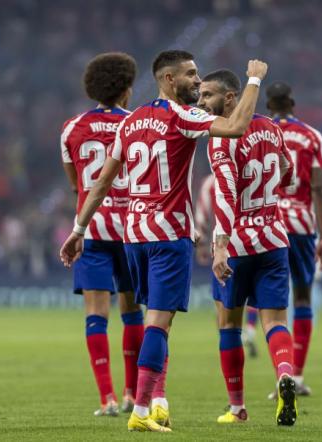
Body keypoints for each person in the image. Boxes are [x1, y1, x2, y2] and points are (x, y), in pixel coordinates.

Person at [60, 50, 268, 432]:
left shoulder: (132, 121)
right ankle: (140, 411)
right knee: (157, 321)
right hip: (168, 235)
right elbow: (237, 126)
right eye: (191, 74)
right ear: (169, 80)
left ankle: (158, 401)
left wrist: (78, 230)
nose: (198, 80)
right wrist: (254, 80)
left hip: (133, 235)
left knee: (159, 320)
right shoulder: (182, 115)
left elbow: (102, 182)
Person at [198, 69, 298, 426]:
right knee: (274, 321)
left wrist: (221, 244)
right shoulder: (272, 128)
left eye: (207, 95)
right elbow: (287, 171)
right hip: (274, 238)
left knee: (228, 326)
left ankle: (237, 407)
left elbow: (225, 194)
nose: (201, 101)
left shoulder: (221, 137)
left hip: (237, 242)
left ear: (230, 99)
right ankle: (285, 373)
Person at [60, 52, 143, 417]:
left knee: (96, 314)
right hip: (132, 230)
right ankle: (130, 394)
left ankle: (106, 399)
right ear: (126, 89)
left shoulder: (72, 128)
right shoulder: (138, 124)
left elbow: (77, 185)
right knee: (133, 310)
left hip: (91, 230)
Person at [266, 81, 322, 396]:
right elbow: (318, 190)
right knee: (302, 298)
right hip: (302, 225)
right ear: (292, 103)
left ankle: (281, 376)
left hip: (266, 224)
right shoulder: (312, 136)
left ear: (268, 106)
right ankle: (299, 376)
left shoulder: (259, 131)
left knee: (271, 307)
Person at [194, 174, 259, 358]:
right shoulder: (250, 172)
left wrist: (202, 245)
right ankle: (250, 331)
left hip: (224, 249)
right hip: (255, 243)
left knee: (223, 304)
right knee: (253, 293)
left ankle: (227, 346)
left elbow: (202, 215)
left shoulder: (210, 183)